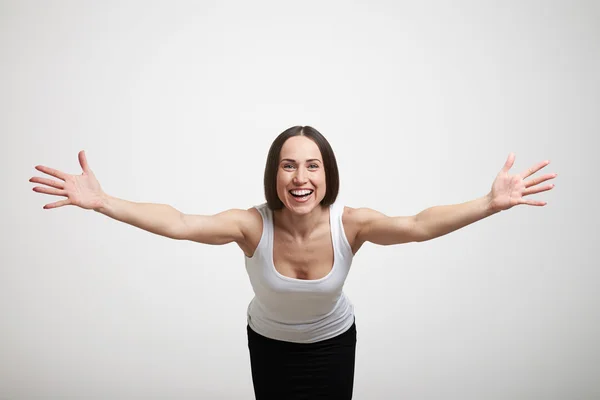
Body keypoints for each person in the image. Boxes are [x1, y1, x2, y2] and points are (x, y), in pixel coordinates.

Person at [30, 126, 556, 399]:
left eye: (312, 165)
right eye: (288, 165)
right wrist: (105, 202)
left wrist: (489, 204)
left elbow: (419, 225)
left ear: (327, 175)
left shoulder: (351, 223)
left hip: (333, 344)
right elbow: (180, 221)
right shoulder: (250, 225)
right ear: (274, 174)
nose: (300, 176)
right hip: (270, 347)